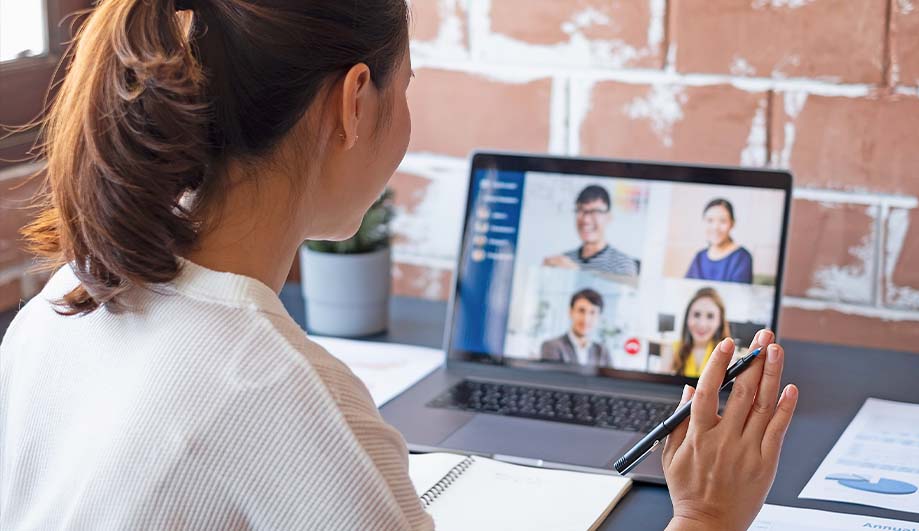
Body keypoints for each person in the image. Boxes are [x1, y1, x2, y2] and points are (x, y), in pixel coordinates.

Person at [0, 1, 798, 530]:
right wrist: (705, 515)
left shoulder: (65, 301)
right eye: (405, 86)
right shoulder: (276, 395)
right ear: (354, 102)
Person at [543, 185, 640, 277]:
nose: (586, 220)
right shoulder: (565, 259)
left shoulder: (623, 264)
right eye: (580, 211)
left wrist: (576, 274)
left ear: (609, 217)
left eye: (595, 212)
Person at [666, 287, 731, 378]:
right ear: (687, 317)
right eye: (696, 315)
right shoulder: (672, 349)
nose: (702, 324)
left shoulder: (727, 355)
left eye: (710, 316)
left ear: (720, 322)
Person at [685, 198, 753, 284]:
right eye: (710, 220)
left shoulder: (742, 257)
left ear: (732, 223)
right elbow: (687, 287)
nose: (715, 227)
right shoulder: (700, 256)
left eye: (723, 221)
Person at [539, 288, 611, 367]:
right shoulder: (552, 346)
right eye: (581, 311)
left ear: (599, 317)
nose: (586, 319)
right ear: (571, 312)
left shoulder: (603, 352)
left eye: (592, 313)